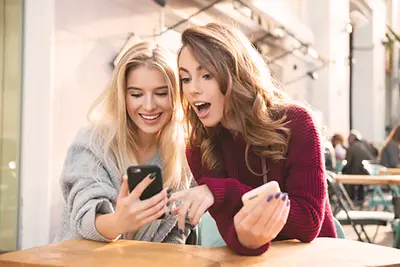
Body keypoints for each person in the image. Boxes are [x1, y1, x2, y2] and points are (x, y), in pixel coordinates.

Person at [169, 23, 336, 256]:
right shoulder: (199, 148)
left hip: (315, 260)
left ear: (237, 74)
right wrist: (245, 233)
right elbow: (235, 236)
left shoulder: (297, 123)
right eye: (185, 79)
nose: (193, 89)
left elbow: (308, 222)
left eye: (206, 75)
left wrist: (221, 191)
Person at [54, 41, 192, 244]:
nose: (149, 106)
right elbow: (85, 217)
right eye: (136, 94)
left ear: (176, 95)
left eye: (161, 93)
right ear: (122, 96)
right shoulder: (91, 143)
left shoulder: (185, 155)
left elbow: (178, 232)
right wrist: (119, 222)